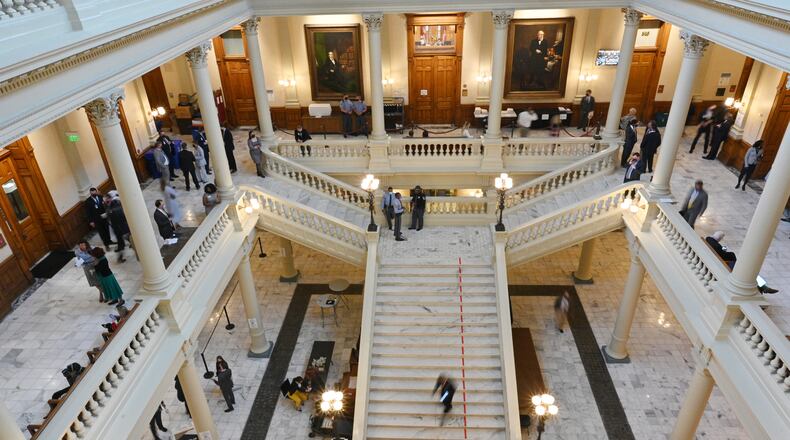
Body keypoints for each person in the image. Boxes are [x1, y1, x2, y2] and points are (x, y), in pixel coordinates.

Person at [104, 192, 130, 262]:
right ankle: (120, 256)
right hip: (119, 228)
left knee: (127, 239)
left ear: (110, 199)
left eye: (107, 199)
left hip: (120, 228)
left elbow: (118, 217)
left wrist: (109, 214)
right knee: (122, 241)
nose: (106, 201)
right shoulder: (111, 207)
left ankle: (121, 256)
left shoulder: (114, 207)